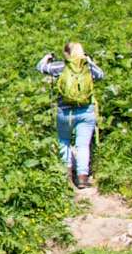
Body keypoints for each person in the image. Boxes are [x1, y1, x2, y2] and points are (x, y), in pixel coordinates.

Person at [37, 42, 104, 189]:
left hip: (65, 112)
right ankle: (82, 178)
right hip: (86, 111)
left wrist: (47, 58)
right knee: (83, 145)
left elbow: (40, 67)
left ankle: (66, 176)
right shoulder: (88, 66)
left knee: (64, 141)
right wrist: (90, 61)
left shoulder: (60, 66)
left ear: (66, 53)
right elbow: (101, 75)